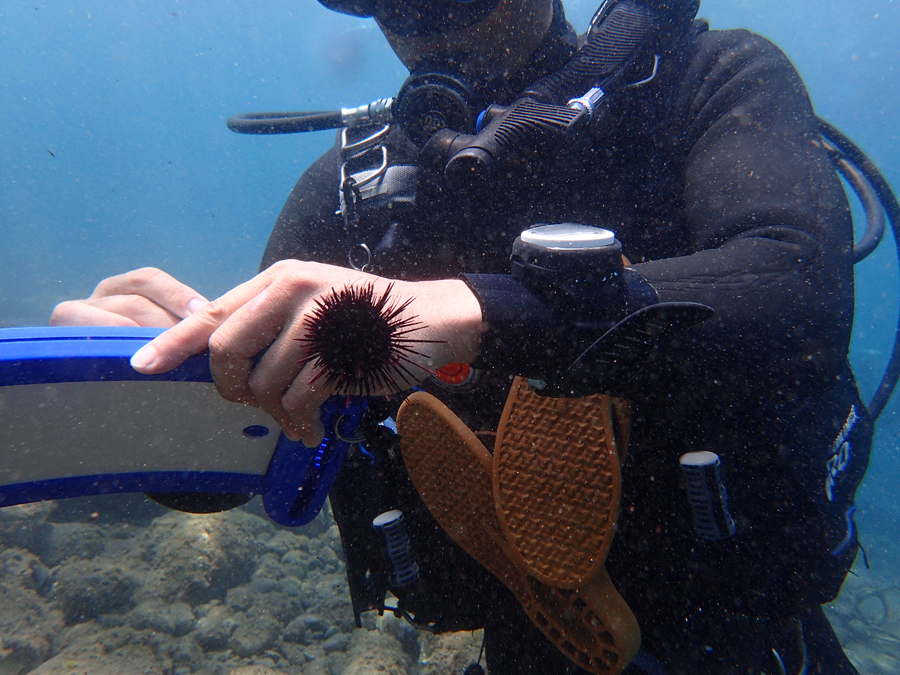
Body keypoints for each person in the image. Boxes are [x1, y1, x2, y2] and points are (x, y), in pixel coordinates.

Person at [51, 0, 874, 672]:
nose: (418, 16)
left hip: (759, 644)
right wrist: (152, 393)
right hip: (526, 641)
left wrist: (469, 312)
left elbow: (795, 288)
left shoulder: (706, 80)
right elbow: (250, 443)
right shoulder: (359, 192)